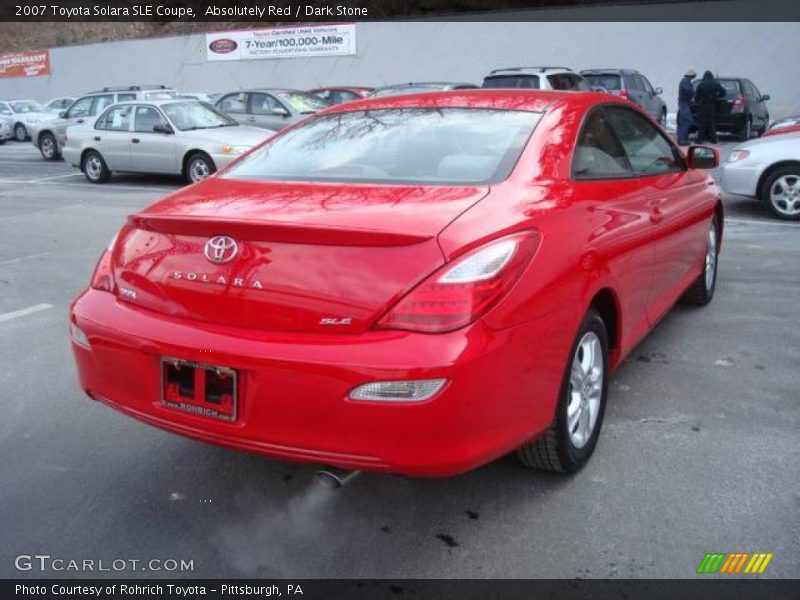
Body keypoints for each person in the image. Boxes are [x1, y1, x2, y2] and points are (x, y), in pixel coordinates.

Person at [694, 70, 726, 144]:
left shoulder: (701, 84)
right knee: (711, 123)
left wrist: (697, 101)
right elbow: (723, 92)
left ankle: (700, 139)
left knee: (702, 123)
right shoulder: (715, 83)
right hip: (712, 105)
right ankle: (714, 139)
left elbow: (696, 96)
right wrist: (717, 96)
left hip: (702, 106)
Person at [676, 67, 696, 146]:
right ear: (690, 75)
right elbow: (688, 90)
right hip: (684, 103)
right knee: (687, 121)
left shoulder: (686, 81)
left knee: (682, 121)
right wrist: (693, 92)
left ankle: (681, 139)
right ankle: (682, 139)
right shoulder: (685, 81)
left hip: (684, 103)